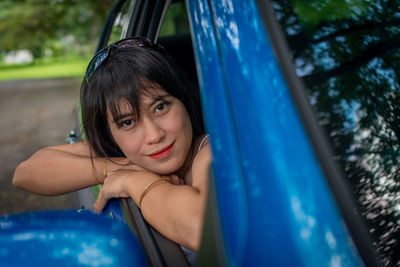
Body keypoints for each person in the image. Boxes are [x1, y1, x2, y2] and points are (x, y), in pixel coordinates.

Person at [12, 37, 211, 252]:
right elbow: (25, 173)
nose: (154, 135)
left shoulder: (211, 152)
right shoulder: (123, 151)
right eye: (127, 122)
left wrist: (134, 182)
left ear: (183, 99)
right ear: (109, 133)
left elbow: (201, 229)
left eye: (160, 107)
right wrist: (120, 168)